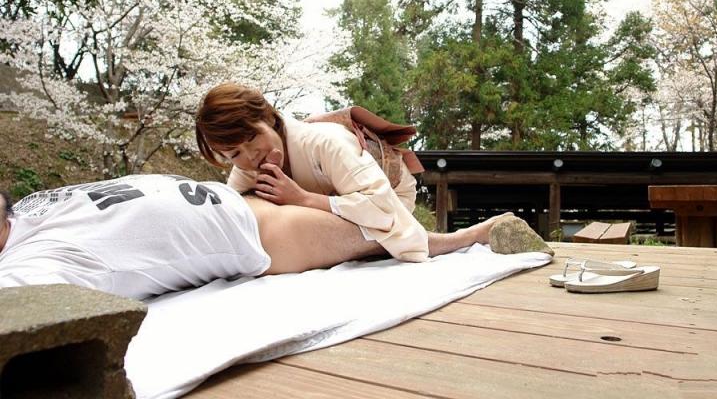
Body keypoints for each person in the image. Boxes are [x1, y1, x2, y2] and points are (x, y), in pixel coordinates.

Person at [0, 175, 544, 301]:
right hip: (253, 234)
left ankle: (457, 236)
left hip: (230, 197)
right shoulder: (26, 263)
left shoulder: (28, 210)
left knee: (385, 225)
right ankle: (468, 237)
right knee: (388, 238)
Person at [195, 83, 430, 262]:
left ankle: (441, 240)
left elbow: (383, 207)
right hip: (345, 209)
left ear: (268, 118)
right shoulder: (245, 170)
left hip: (393, 195)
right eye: (234, 154)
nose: (250, 156)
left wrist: (303, 199)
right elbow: (231, 222)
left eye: (252, 137)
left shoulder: (325, 141)